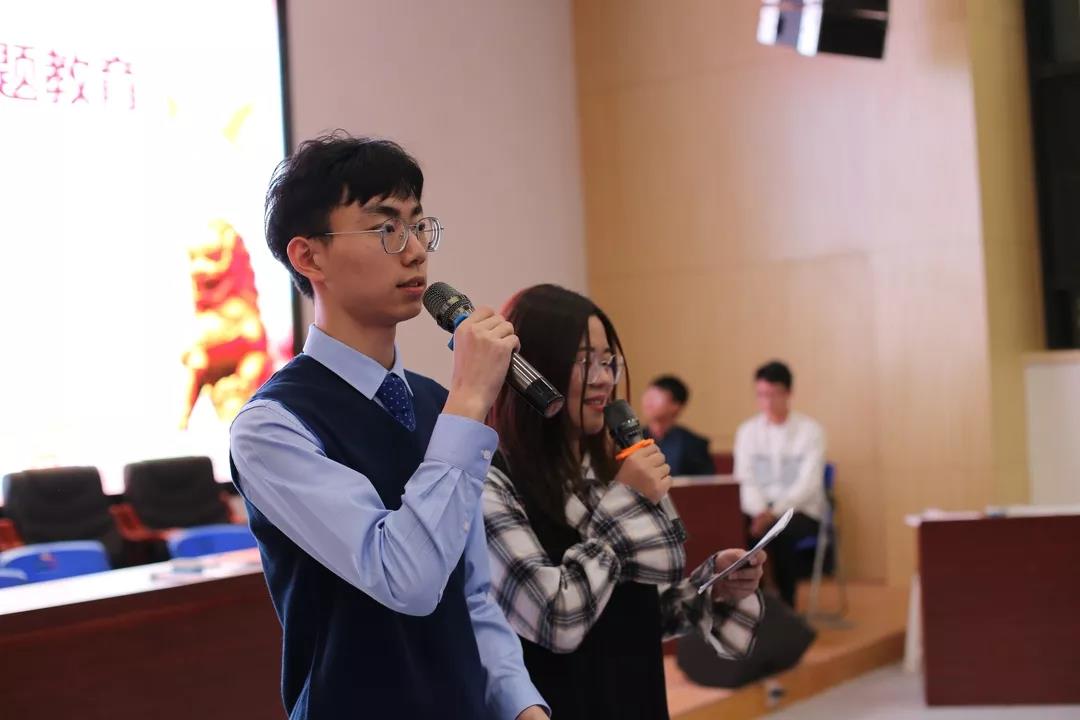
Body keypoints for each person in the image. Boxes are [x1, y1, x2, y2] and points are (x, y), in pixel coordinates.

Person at [229, 133, 547, 719]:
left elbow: (471, 594)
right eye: (385, 229)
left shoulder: (436, 404)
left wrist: (522, 706)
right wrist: (470, 398)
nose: (416, 251)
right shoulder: (272, 426)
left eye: (419, 226)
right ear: (308, 257)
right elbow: (407, 579)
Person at [483, 284, 764, 720]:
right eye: (583, 361)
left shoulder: (609, 465)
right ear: (531, 368)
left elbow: (641, 611)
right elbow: (556, 619)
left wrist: (714, 587)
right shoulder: (492, 479)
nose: (603, 378)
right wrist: (627, 501)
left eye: (608, 360)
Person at [734, 360, 827, 609]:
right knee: (735, 528)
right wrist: (760, 511)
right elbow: (745, 479)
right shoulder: (747, 432)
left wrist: (774, 513)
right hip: (757, 511)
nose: (766, 401)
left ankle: (786, 607)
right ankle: (750, 605)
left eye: (773, 394)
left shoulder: (810, 431)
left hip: (800, 511)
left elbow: (808, 484)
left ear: (788, 393)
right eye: (761, 394)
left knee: (781, 531)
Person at [641, 375, 716, 476]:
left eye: (656, 397)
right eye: (648, 395)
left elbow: (704, 482)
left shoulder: (694, 444)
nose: (648, 401)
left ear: (675, 405)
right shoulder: (631, 440)